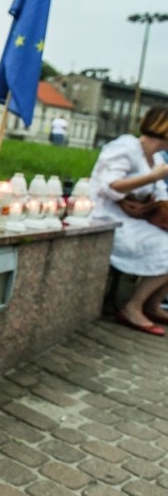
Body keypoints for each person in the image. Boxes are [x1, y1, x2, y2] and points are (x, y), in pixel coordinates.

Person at [89, 106, 168, 336]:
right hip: (109, 217)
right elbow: (109, 185)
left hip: (134, 219)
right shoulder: (126, 147)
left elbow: (161, 193)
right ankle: (132, 307)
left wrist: (152, 203)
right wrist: (151, 178)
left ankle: (151, 305)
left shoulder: (153, 158)